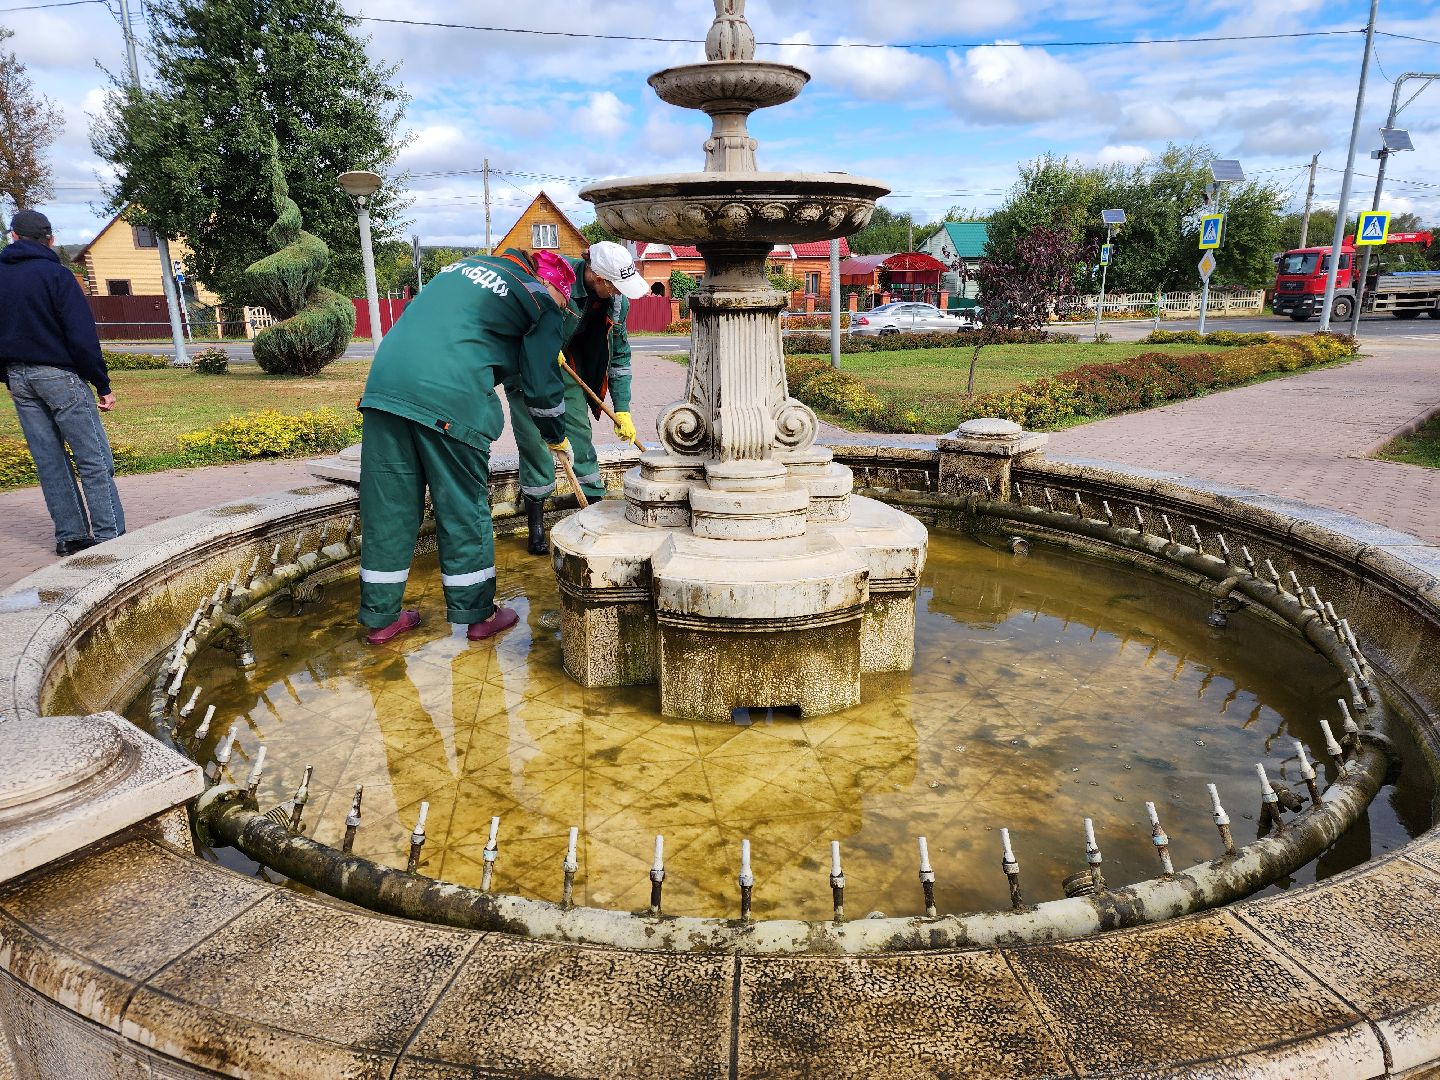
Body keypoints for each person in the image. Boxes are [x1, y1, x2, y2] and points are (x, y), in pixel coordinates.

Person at [356, 247, 579, 646]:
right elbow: (543, 387)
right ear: (550, 284)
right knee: (462, 508)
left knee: (388, 508)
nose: (562, 311)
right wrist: (556, 436)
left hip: (384, 389)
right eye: (565, 302)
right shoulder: (538, 297)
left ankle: (381, 618)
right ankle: (479, 614)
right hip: (451, 400)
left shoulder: (462, 269)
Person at [505, 240, 648, 554]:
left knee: (580, 438)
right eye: (615, 286)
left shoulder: (616, 303)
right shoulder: (553, 276)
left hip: (567, 366)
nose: (620, 293)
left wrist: (622, 409)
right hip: (526, 370)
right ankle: (536, 524)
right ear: (598, 278)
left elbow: (620, 357)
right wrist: (539, 345)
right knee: (536, 444)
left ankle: (592, 511)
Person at [0, 209, 125, 556]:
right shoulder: (57, 276)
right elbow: (82, 337)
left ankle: (71, 537)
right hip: (60, 376)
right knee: (94, 458)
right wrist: (101, 383)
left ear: (13, 237)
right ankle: (110, 536)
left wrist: (8, 377)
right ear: (50, 239)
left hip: (19, 379)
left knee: (50, 460)